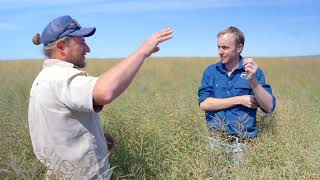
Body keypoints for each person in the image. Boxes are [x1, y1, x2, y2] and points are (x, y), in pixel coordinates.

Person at [28, 15, 172, 179]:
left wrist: (98, 137)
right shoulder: (60, 77)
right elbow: (104, 92)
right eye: (81, 43)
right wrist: (142, 52)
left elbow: (58, 126)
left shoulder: (44, 78)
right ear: (61, 46)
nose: (88, 49)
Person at [198, 26, 276, 163]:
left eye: (225, 47)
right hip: (215, 142)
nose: (220, 52)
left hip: (244, 145)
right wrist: (240, 99)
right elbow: (204, 104)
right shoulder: (211, 72)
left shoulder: (254, 72)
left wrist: (253, 81)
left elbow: (269, 107)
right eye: (218, 47)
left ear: (239, 48)